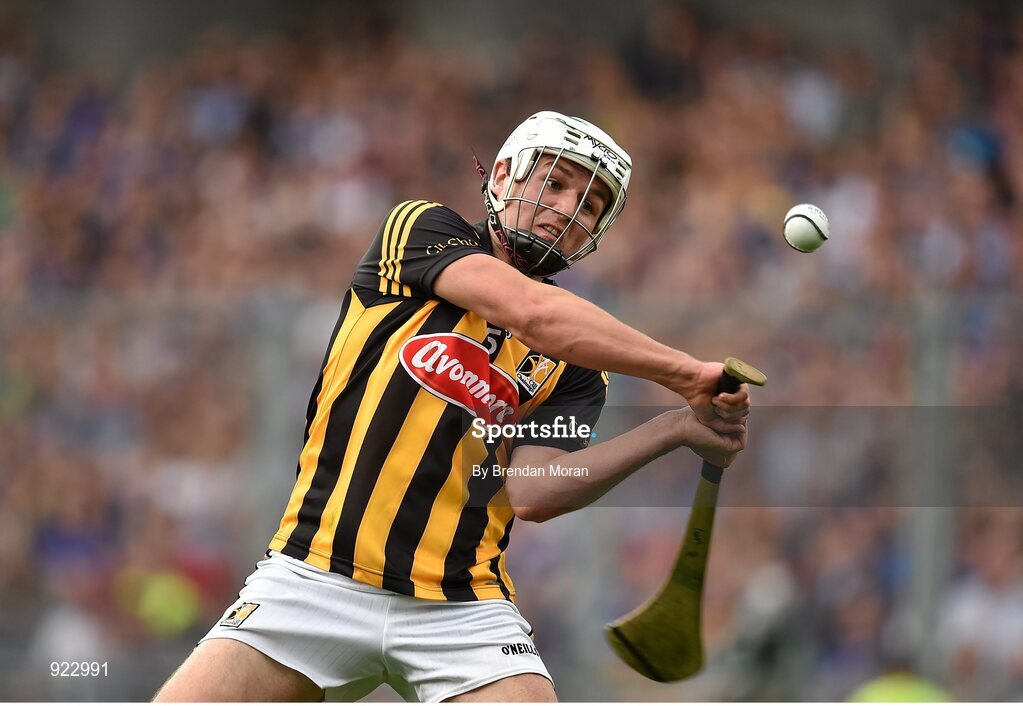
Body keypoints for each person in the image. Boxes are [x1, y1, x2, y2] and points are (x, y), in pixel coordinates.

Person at [154, 111, 751, 702]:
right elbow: (534, 315)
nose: (568, 208)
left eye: (590, 206)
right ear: (504, 175)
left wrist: (673, 427)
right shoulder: (419, 229)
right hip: (314, 576)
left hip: (462, 610)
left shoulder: (580, 364)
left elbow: (536, 491)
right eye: (557, 182)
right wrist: (687, 374)